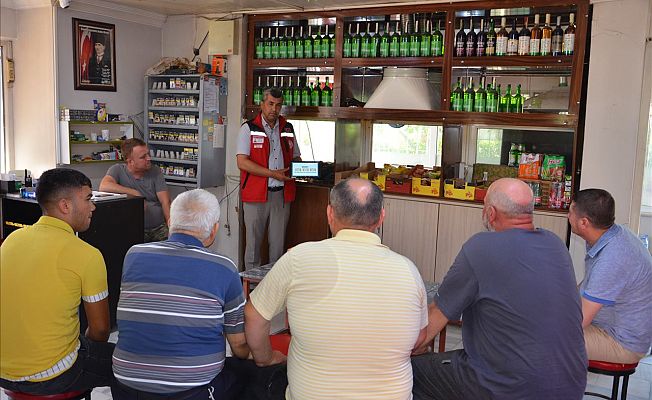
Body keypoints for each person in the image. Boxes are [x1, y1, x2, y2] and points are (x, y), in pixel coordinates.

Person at [245, 178, 428, 400]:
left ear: (330, 213)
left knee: (250, 379)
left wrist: (266, 358)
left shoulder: (300, 258)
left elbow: (254, 315)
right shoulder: (409, 270)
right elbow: (419, 339)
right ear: (381, 217)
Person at [411, 178, 587, 400]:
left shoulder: (480, 247)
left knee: (411, 372)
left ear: (491, 213)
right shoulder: (556, 245)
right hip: (571, 385)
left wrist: (406, 348)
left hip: (509, 389)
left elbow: (438, 313)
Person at [111, 189, 250, 400]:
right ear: (214, 230)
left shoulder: (134, 254)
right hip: (191, 391)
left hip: (126, 387)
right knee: (249, 375)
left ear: (169, 222)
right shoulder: (224, 267)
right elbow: (238, 345)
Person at [0, 168, 114, 394]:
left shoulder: (12, 240)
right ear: (65, 206)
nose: (93, 207)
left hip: (3, 372)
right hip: (50, 375)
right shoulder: (87, 255)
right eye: (88, 199)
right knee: (128, 364)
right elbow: (100, 330)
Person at [568, 188, 652, 364]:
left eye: (570, 212)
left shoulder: (613, 257)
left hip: (622, 342)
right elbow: (589, 288)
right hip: (612, 327)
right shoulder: (613, 234)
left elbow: (579, 320)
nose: (568, 217)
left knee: (545, 337)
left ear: (584, 222)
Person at [236, 88, 301, 270]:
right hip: (255, 195)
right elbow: (242, 162)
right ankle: (251, 284)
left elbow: (295, 156)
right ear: (262, 104)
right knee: (253, 246)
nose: (274, 109)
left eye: (278, 105)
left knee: (278, 246)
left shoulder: (288, 128)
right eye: (270, 104)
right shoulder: (248, 128)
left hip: (281, 195)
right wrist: (272, 174)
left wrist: (302, 169)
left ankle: (274, 283)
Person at [100, 138, 171, 242]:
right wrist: (135, 194)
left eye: (148, 154)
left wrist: (171, 226)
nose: (148, 158)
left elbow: (165, 201)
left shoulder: (155, 171)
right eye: (143, 157)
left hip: (158, 228)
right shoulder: (117, 170)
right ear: (130, 161)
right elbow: (104, 186)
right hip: (133, 229)